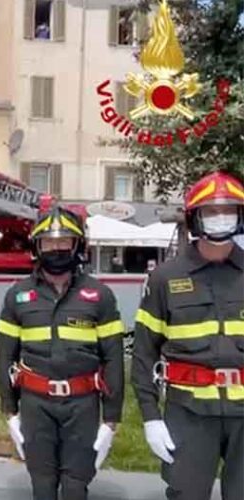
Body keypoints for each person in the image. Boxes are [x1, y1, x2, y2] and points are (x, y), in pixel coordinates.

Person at [0, 206, 125, 500]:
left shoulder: (100, 296)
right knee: (42, 484)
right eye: (48, 242)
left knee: (76, 485)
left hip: (82, 404)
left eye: (63, 241)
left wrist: (112, 419)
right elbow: (4, 356)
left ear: (78, 245)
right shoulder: (17, 296)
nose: (56, 248)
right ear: (36, 246)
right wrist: (9, 411)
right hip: (35, 403)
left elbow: (113, 358)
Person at [132, 171, 244, 500]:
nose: (221, 217)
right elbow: (143, 354)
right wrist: (151, 417)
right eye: (211, 211)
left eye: (229, 210)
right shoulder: (166, 278)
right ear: (195, 217)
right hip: (189, 413)